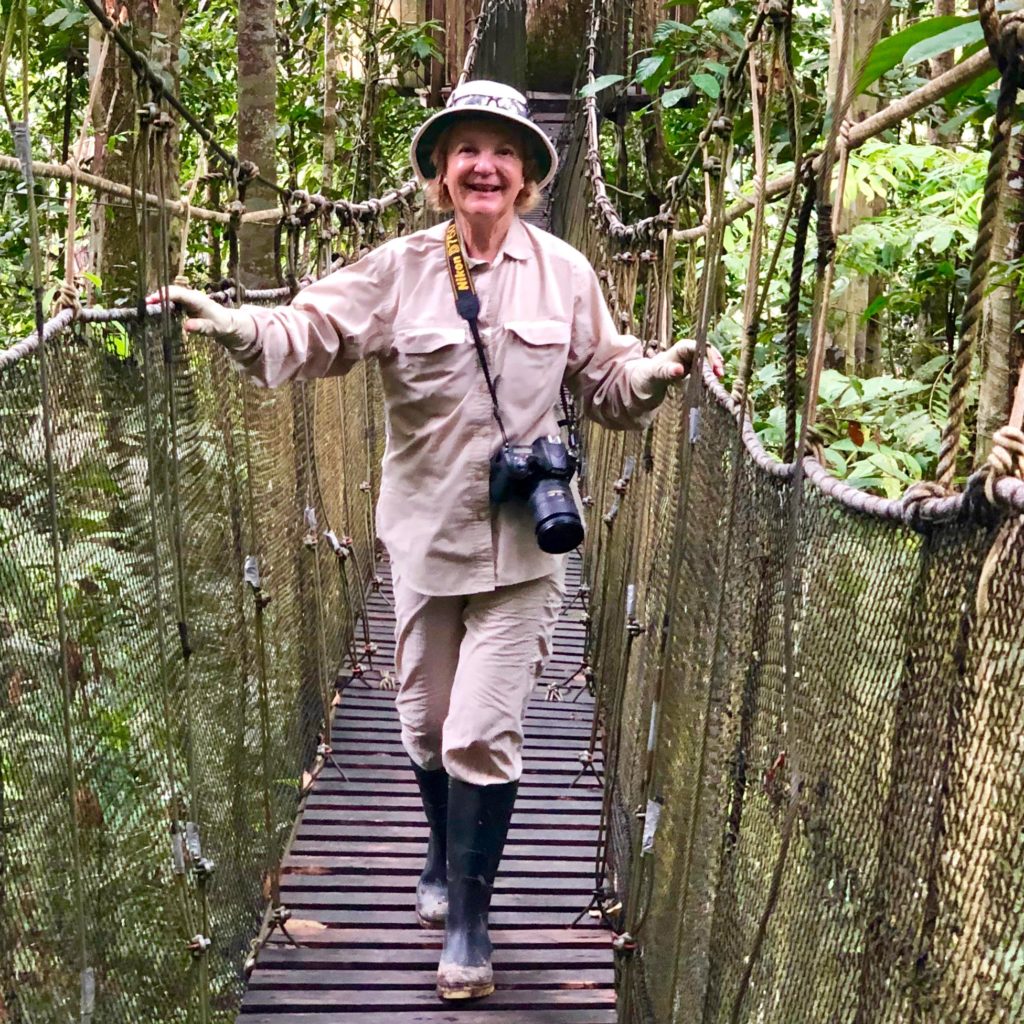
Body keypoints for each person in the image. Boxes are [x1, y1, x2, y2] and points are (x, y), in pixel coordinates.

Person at [151, 79, 723, 1001]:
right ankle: (436, 843)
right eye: (466, 149)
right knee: (423, 723)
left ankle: (468, 917)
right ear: (442, 172)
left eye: (504, 150)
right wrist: (237, 324)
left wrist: (654, 374)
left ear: (530, 173)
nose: (485, 164)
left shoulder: (567, 274)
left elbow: (607, 383)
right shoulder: (399, 268)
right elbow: (312, 327)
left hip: (526, 550)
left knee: (481, 732)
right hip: (422, 542)